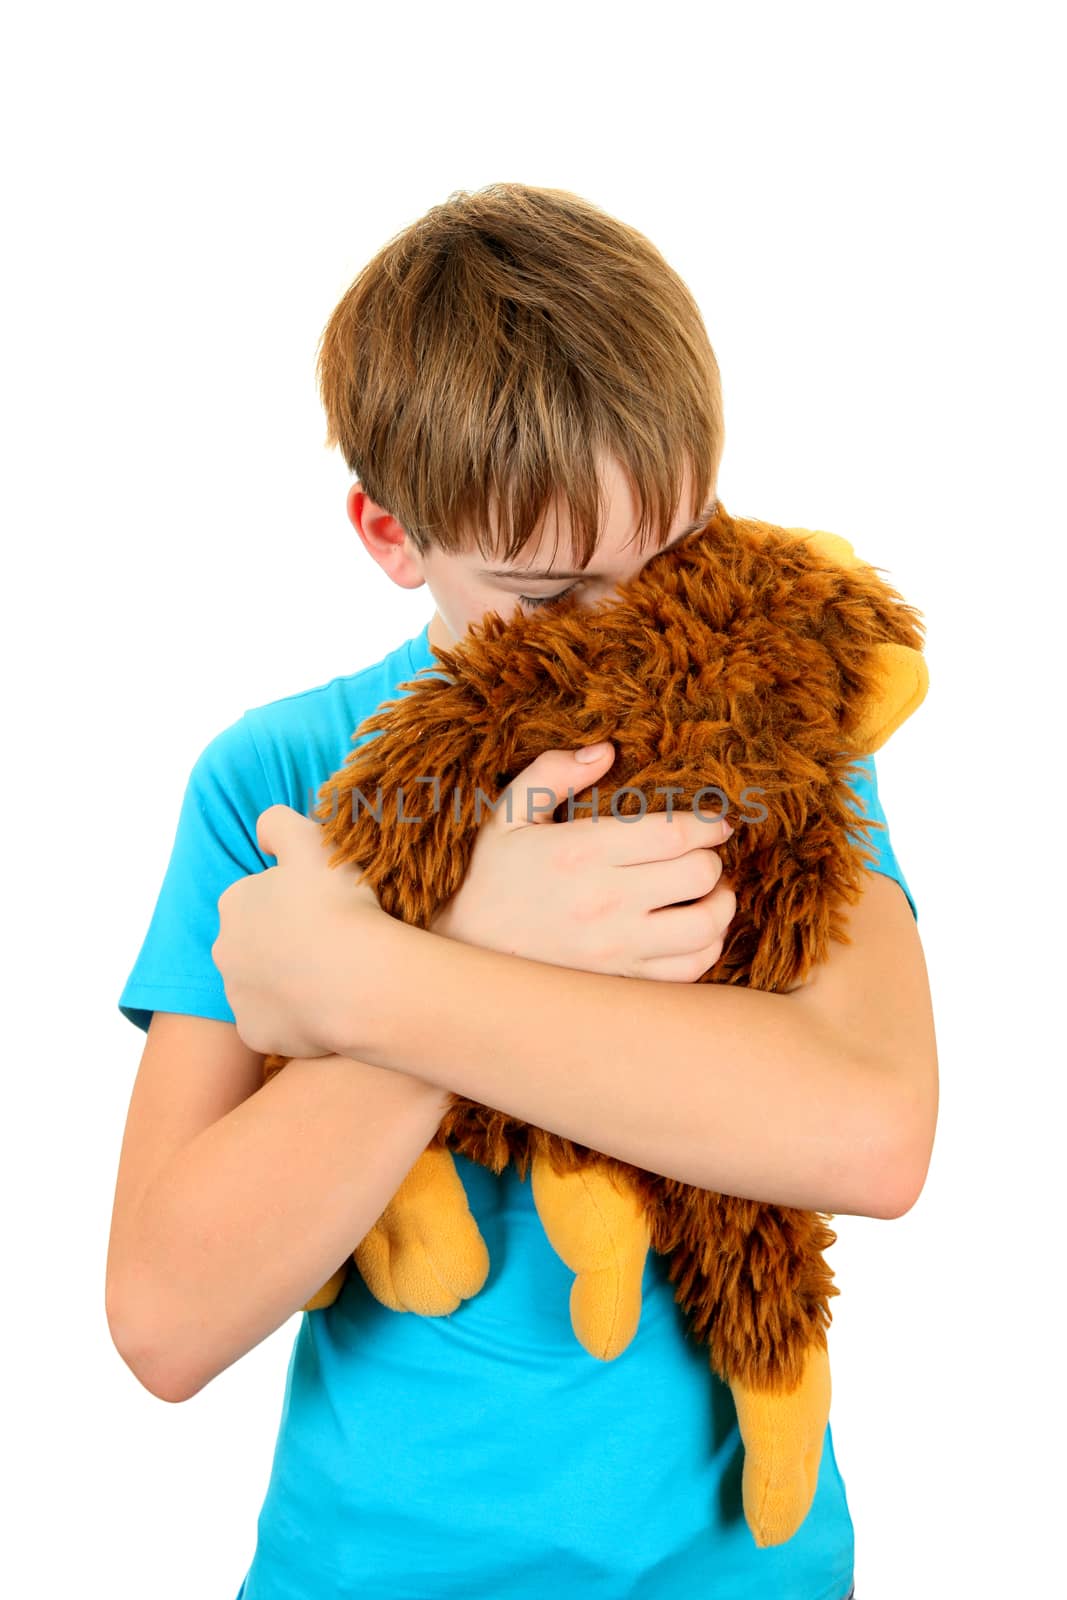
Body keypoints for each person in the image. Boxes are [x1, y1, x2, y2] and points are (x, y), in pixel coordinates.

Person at [106, 182, 936, 1600]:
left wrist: (377, 977)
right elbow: (167, 1321)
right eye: (547, 594)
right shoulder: (279, 775)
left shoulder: (763, 722)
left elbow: (872, 1137)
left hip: (739, 1569)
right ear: (390, 535)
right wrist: (483, 923)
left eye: (666, 561)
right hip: (369, 1568)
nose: (621, 638)